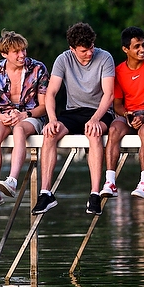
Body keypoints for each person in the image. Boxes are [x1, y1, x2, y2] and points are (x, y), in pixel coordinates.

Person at [37, 22, 115, 216]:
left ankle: (94, 194)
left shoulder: (105, 57)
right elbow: (51, 92)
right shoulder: (63, 60)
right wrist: (52, 120)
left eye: (91, 47)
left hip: (100, 111)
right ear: (72, 49)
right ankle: (46, 193)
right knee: (50, 134)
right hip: (73, 111)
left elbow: (109, 94)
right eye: (83, 50)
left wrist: (96, 118)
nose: (89, 52)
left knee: (93, 133)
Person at [0, 30, 49, 212]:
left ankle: (12, 180)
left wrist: (24, 114)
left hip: (31, 115)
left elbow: (43, 106)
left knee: (19, 129)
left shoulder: (38, 68)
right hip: (4, 115)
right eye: (17, 52)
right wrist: (1, 117)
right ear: (5, 54)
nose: (22, 55)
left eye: (23, 50)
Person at [100, 26, 144, 200]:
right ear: (125, 49)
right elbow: (117, 104)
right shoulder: (118, 71)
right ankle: (110, 182)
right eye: (137, 46)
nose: (142, 49)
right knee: (113, 130)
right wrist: (128, 116)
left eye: (143, 45)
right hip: (128, 114)